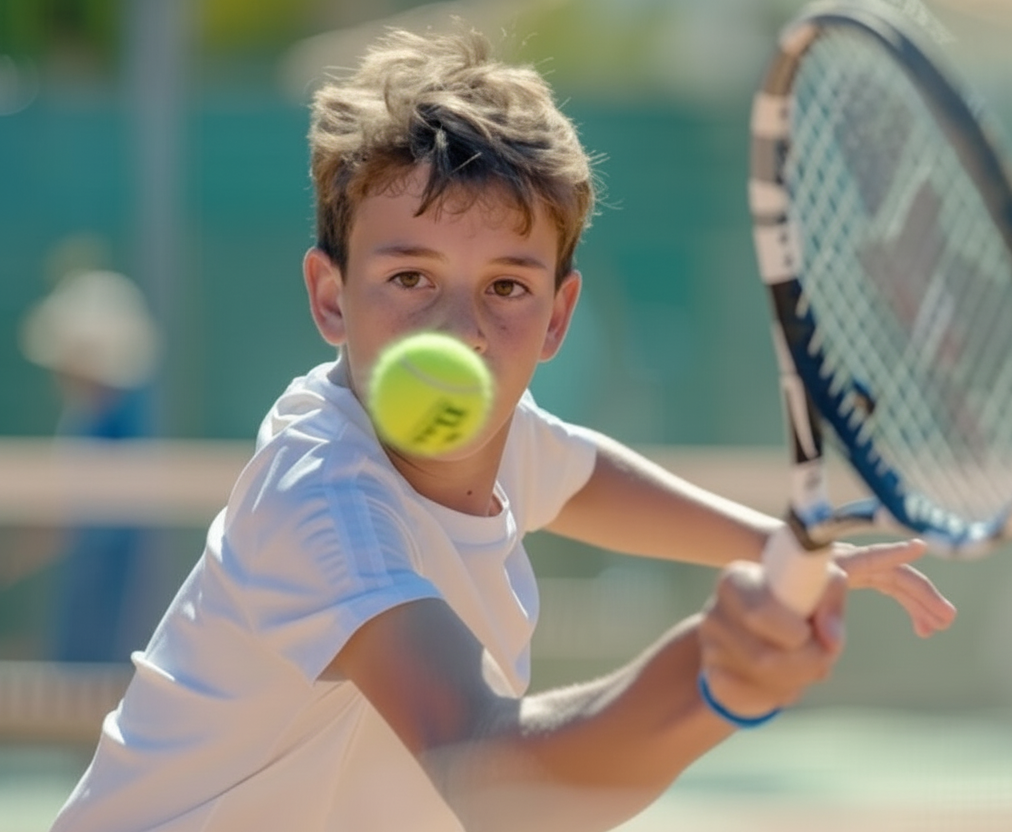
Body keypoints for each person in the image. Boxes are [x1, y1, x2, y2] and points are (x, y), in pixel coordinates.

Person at [51, 27, 955, 832]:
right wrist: (710, 676)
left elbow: (576, 471)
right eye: (410, 278)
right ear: (331, 296)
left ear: (557, 318)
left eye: (507, 289)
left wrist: (767, 544)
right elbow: (486, 774)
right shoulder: (324, 503)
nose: (459, 331)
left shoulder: (498, 434)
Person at [19, 264, 160, 663]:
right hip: (87, 600)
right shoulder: (94, 418)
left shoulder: (115, 425)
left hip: (107, 614)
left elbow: (71, 520)